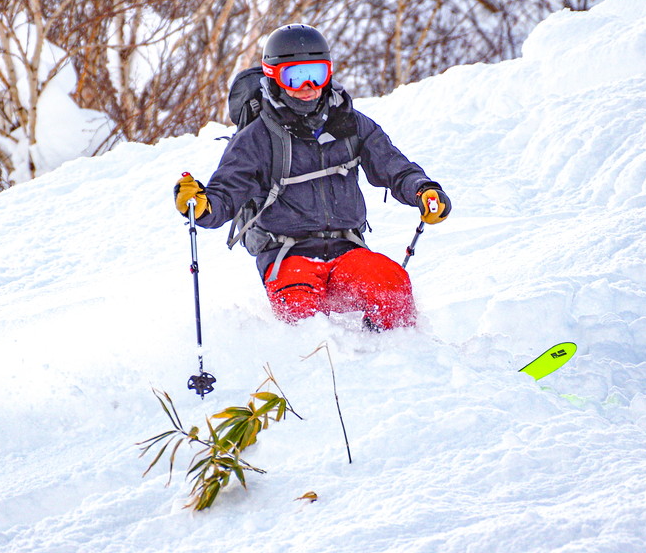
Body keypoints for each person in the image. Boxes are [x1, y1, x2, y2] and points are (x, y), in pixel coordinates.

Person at [173, 23, 450, 331]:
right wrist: (201, 206)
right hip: (287, 255)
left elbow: (394, 166)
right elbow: (225, 194)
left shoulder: (351, 124)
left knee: (391, 286)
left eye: (316, 74)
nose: (308, 86)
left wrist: (422, 190)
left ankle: (398, 357)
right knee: (304, 320)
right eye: (295, 76)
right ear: (274, 78)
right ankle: (312, 371)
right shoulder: (258, 138)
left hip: (348, 251)